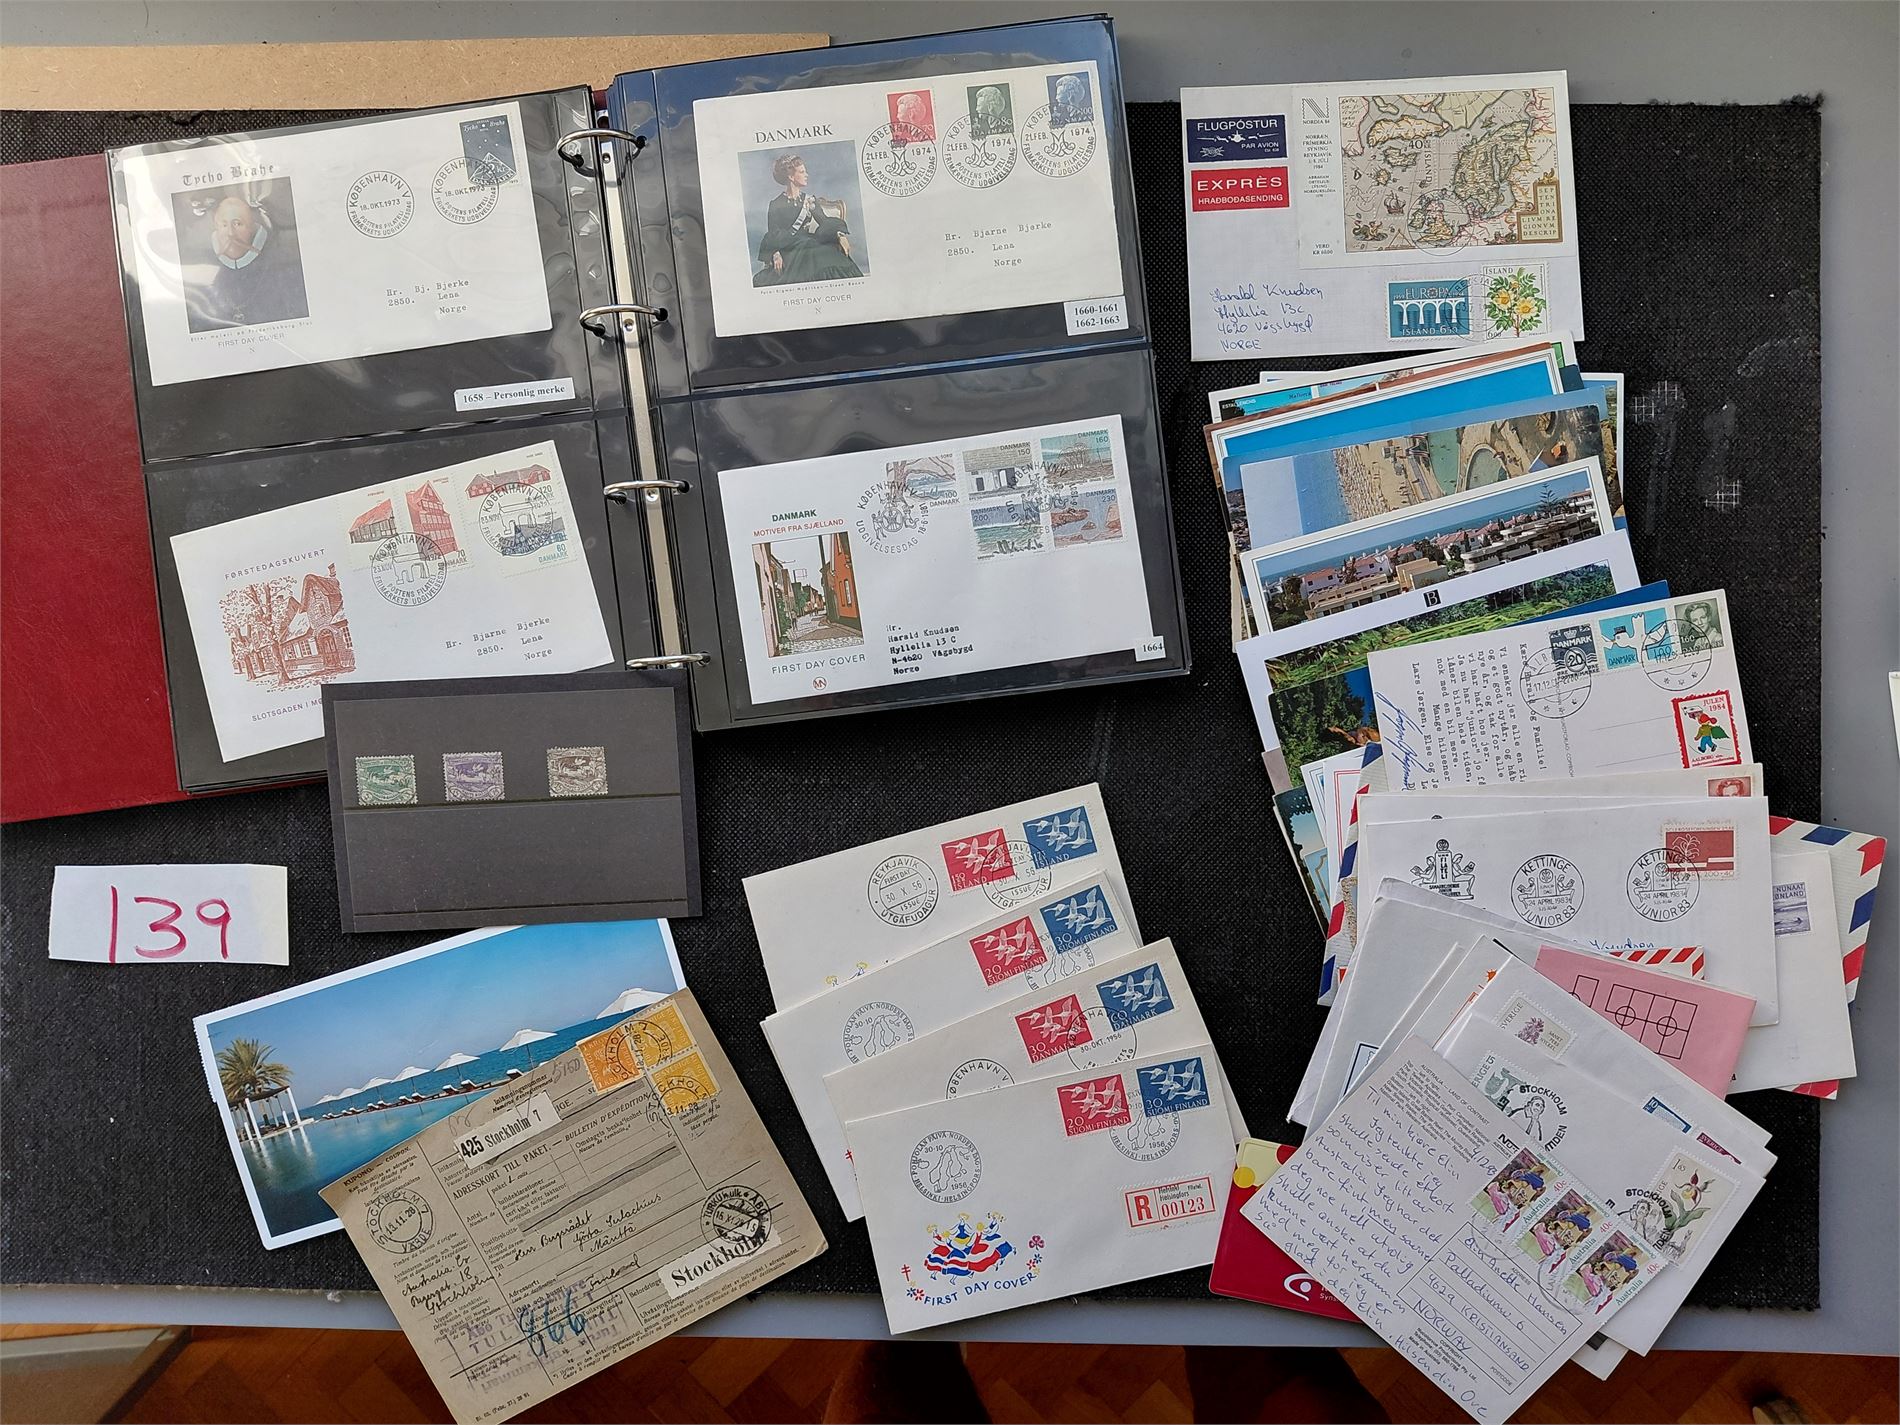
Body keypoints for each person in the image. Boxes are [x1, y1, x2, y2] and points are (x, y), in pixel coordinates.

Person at [188, 193, 308, 330]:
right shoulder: (199, 273)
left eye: (237, 224)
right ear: (216, 230)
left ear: (252, 228)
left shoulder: (284, 269)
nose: (231, 233)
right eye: (224, 225)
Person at [753, 153, 863, 287]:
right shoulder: (775, 204)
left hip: (811, 243)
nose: (807, 175)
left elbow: (824, 221)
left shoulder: (810, 200)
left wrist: (840, 235)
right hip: (790, 249)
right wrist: (776, 254)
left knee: (826, 256)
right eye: (802, 172)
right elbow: (773, 233)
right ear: (791, 176)